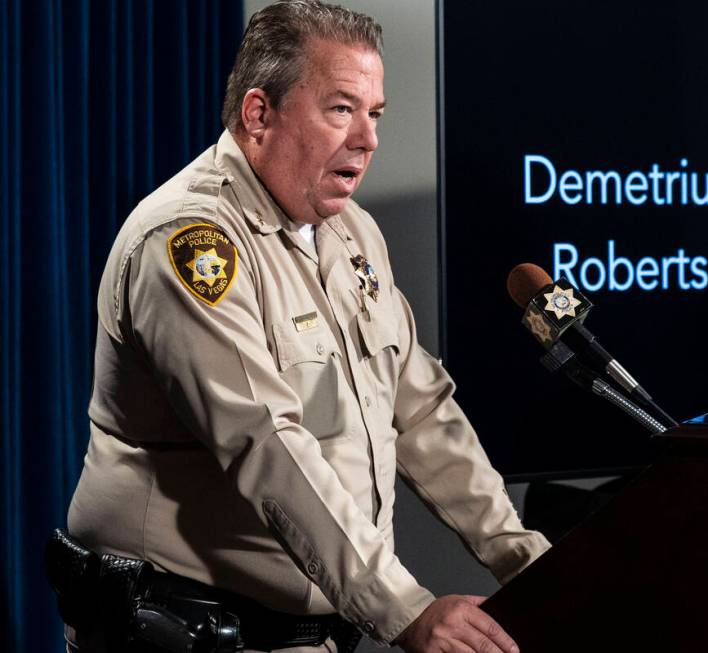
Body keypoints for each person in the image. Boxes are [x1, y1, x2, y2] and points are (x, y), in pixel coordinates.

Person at [61, 2, 549, 652]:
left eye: (374, 114)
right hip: (183, 625)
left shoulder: (351, 234)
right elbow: (264, 441)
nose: (369, 139)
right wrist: (406, 609)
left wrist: (527, 560)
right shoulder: (189, 242)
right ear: (259, 113)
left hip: (312, 630)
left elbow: (421, 412)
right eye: (341, 109)